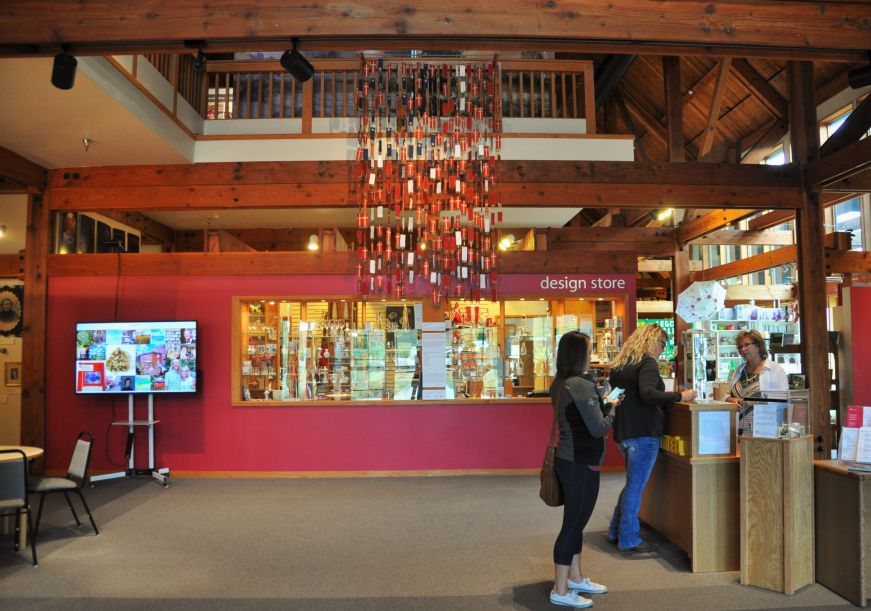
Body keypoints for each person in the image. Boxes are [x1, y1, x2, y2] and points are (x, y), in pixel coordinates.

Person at [607, 323, 696, 554]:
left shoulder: (621, 364)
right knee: (635, 488)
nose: (662, 349)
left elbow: (613, 396)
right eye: (662, 344)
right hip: (643, 433)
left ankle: (616, 530)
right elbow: (648, 394)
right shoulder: (647, 363)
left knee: (631, 485)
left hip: (624, 432)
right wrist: (680, 395)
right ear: (652, 341)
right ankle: (628, 538)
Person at [549, 331, 615, 609]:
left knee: (575, 523)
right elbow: (598, 426)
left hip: (570, 460)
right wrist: (613, 408)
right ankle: (560, 589)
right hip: (580, 462)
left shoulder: (560, 383)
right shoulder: (581, 385)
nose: (592, 353)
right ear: (581, 353)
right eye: (590, 349)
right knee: (573, 526)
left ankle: (574, 577)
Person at [725, 329, 788, 435]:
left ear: (758, 345)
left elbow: (784, 399)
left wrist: (756, 401)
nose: (743, 349)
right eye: (740, 347)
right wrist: (729, 399)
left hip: (763, 432)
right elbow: (726, 394)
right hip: (737, 431)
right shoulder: (738, 370)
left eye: (747, 345)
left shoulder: (774, 369)